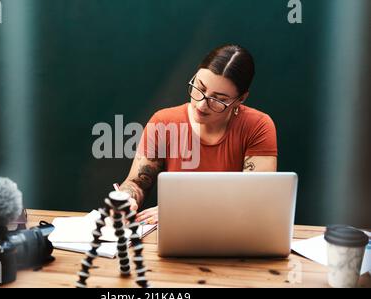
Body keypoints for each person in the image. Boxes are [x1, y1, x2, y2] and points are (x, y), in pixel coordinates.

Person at [119, 44, 278, 224]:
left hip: (234, 234)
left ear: (240, 99)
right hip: (176, 235)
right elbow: (137, 183)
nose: (201, 105)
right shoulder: (163, 122)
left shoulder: (257, 126)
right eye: (200, 88)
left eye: (218, 99)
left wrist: (182, 210)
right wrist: (126, 198)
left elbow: (255, 200)